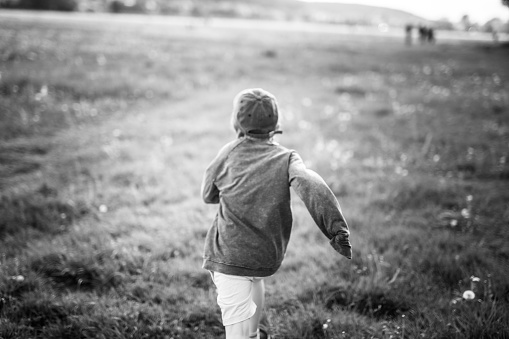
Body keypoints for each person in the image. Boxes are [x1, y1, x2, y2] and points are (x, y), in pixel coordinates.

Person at [201, 88, 352, 339]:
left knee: (234, 327)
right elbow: (311, 183)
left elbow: (208, 193)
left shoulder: (228, 152)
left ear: (236, 121)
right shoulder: (287, 157)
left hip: (229, 254)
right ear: (275, 123)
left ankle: (244, 335)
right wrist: (337, 230)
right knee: (255, 280)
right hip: (266, 254)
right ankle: (253, 333)